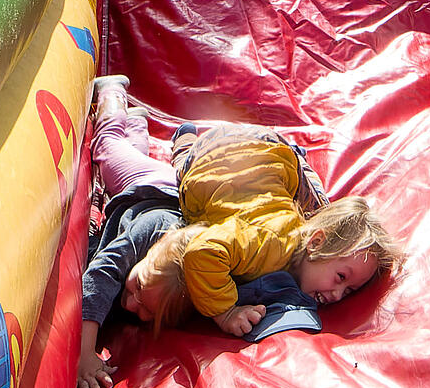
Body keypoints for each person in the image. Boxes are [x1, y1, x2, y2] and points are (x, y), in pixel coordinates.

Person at [169, 124, 406, 330]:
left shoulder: (300, 238)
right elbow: (203, 251)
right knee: (181, 170)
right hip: (218, 153)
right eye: (341, 277)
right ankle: (184, 141)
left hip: (268, 161)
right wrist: (225, 312)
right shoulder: (266, 244)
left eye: (348, 291)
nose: (337, 295)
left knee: (314, 204)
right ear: (315, 243)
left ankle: (298, 157)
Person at [76, 77, 188, 388]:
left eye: (146, 311)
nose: (131, 304)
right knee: (109, 150)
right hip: (150, 185)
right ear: (150, 257)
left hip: (156, 195)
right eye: (138, 286)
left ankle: (137, 124)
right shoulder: (147, 231)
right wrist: (85, 353)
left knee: (129, 153)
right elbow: (102, 273)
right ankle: (113, 92)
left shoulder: (176, 284)